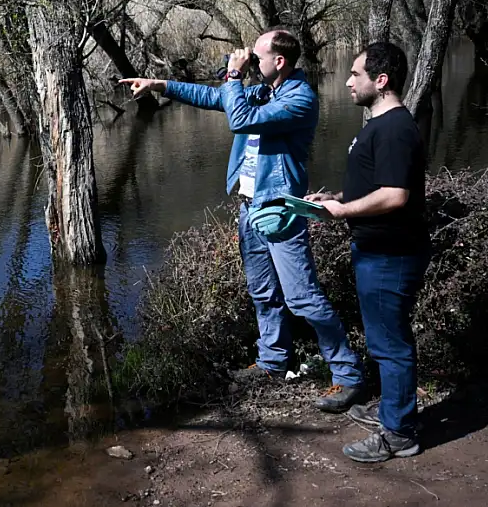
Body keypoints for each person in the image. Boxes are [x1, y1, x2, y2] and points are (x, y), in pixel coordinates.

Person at [120, 29, 363, 413]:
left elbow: (239, 118)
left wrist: (234, 75)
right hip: (249, 208)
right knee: (263, 291)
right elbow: (215, 98)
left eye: (258, 55)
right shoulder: (267, 92)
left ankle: (348, 375)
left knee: (302, 297)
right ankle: (272, 361)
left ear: (279, 61)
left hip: (280, 209)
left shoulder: (300, 99)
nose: (249, 59)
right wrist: (159, 84)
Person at [306, 41, 430, 462]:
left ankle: (398, 434)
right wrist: (336, 198)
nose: (347, 80)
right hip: (376, 251)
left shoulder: (395, 128)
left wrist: (341, 212)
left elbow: (395, 195)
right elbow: (377, 184)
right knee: (384, 341)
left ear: (381, 81)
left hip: (390, 255)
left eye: (355, 74)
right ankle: (394, 413)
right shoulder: (379, 124)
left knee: (391, 345)